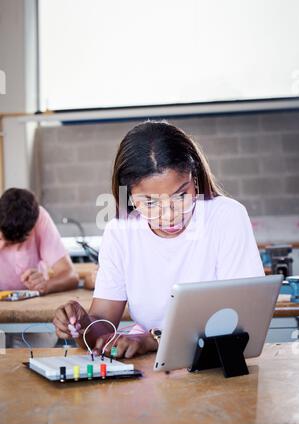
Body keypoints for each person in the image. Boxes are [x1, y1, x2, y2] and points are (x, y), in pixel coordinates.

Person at [53, 121, 265, 359]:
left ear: (194, 179)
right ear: (129, 196)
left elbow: (244, 324)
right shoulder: (120, 231)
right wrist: (82, 324)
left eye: (180, 195)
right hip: (146, 375)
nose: (169, 214)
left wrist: (155, 339)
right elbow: (102, 326)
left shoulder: (226, 217)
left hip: (215, 367)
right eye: (150, 202)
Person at [0, 188, 79, 347]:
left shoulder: (39, 217)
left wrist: (45, 285)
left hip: (32, 317)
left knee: (29, 351)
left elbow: (70, 275)